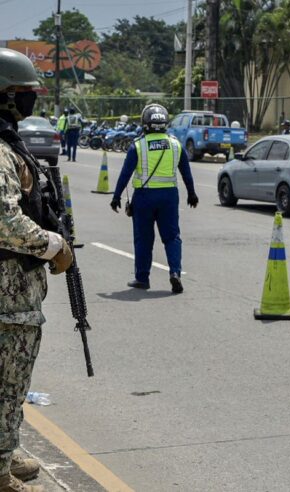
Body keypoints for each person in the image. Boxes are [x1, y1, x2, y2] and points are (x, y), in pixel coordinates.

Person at [0, 47, 73, 492]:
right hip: (8, 293)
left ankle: (5, 452)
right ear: (6, 96)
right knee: (8, 385)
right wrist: (54, 245)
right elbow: (4, 219)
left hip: (13, 290)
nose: (31, 101)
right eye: (26, 93)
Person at [110, 103, 198, 293]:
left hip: (144, 197)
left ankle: (142, 278)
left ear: (145, 123)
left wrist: (116, 196)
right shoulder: (176, 145)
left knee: (144, 239)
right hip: (169, 197)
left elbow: (125, 174)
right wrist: (192, 193)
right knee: (172, 237)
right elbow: (186, 173)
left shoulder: (138, 146)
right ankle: (175, 273)